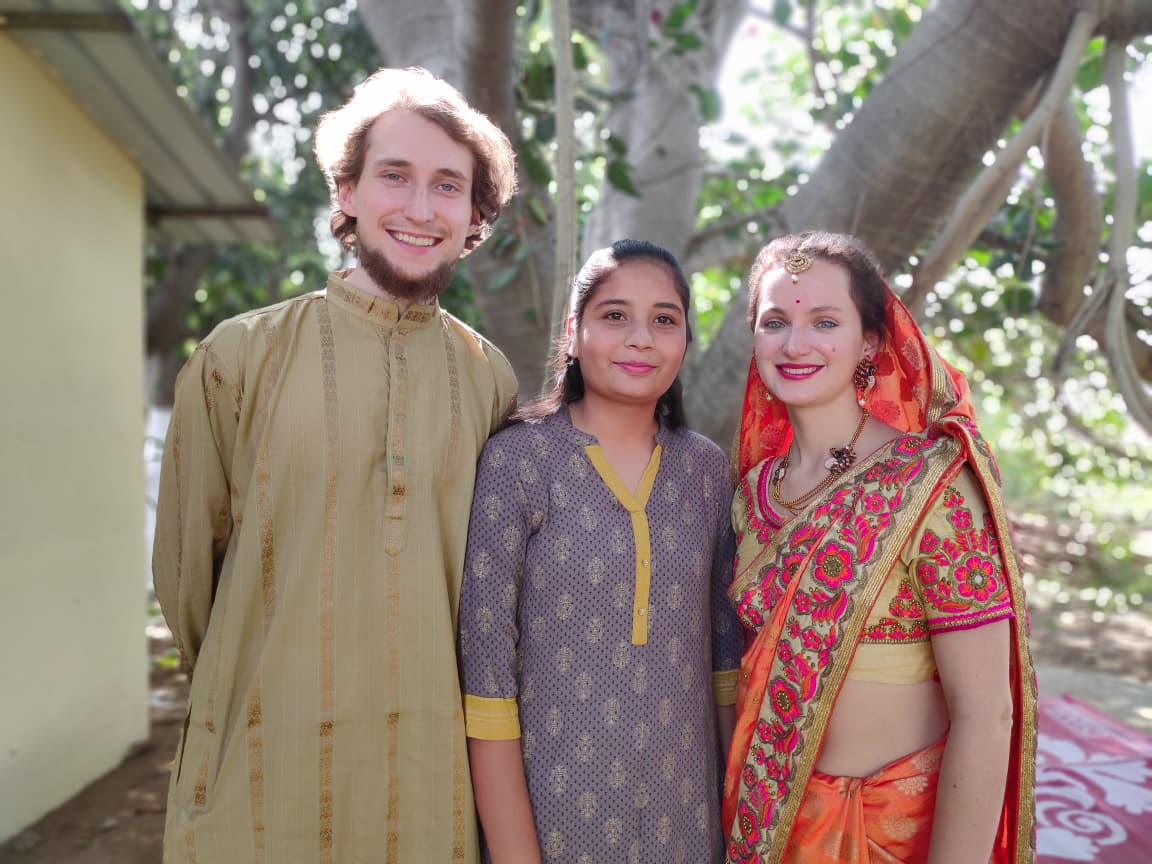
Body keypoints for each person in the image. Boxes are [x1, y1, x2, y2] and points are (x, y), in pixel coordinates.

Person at [152, 67, 518, 862]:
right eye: (395, 175)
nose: (420, 208)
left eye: (448, 186)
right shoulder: (239, 357)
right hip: (259, 776)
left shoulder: (488, 377)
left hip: (427, 792)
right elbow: (186, 579)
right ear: (347, 191)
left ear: (475, 215)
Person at [721, 232, 1037, 863]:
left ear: (869, 341)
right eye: (775, 322)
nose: (795, 344)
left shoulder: (932, 484)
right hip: (767, 828)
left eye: (825, 322)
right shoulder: (752, 493)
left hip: (893, 833)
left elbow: (986, 713)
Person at [458, 239, 743, 863]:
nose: (641, 338)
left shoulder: (705, 471)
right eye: (615, 315)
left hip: (687, 825)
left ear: (685, 341)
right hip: (551, 824)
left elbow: (726, 669)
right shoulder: (517, 461)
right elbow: (486, 681)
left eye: (664, 319)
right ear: (573, 332)